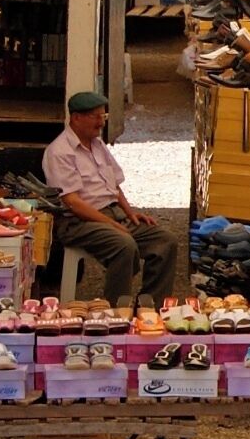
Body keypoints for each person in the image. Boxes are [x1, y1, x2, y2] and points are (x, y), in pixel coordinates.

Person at [45, 90, 175, 302]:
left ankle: (151, 305)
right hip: (78, 222)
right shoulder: (59, 152)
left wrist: (130, 213)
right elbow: (73, 203)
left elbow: (114, 184)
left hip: (111, 214)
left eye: (103, 117)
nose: (101, 123)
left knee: (166, 240)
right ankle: (116, 308)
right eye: (95, 117)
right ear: (76, 118)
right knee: (123, 244)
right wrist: (111, 223)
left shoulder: (97, 145)